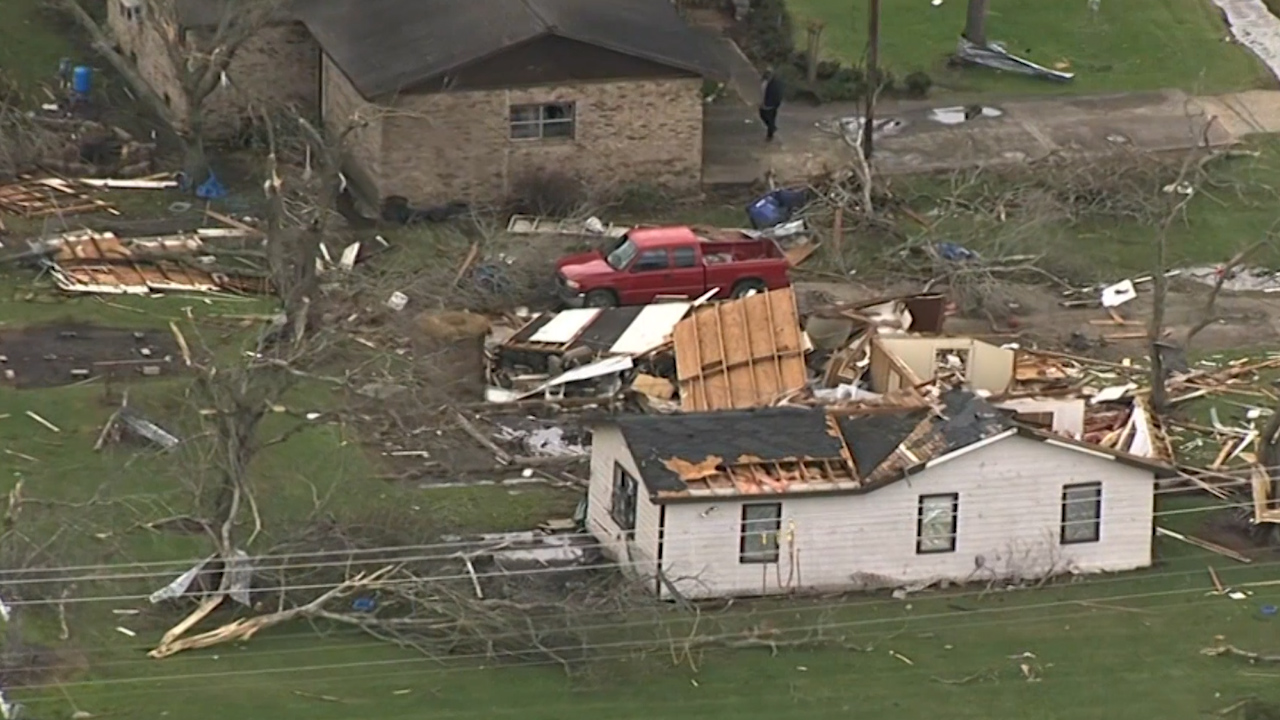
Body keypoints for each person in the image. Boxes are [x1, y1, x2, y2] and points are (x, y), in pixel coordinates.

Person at [758, 69, 784, 142]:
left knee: (767, 116)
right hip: (773, 103)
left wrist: (764, 103)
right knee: (771, 118)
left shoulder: (770, 84)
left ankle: (771, 131)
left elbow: (766, 94)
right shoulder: (771, 83)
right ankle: (771, 130)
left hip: (770, 103)